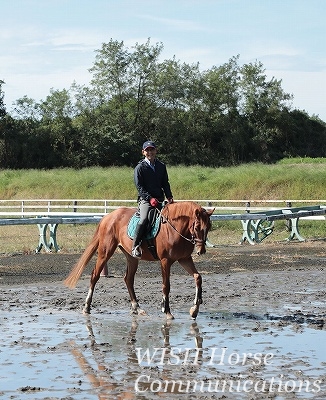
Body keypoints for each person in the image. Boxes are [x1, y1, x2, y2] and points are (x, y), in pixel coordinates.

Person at [132, 140, 174, 258]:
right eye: (147, 150)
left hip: (160, 199)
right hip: (146, 200)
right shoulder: (139, 168)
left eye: (152, 149)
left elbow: (165, 183)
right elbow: (139, 187)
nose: (150, 152)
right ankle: (135, 245)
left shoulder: (161, 166)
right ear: (143, 152)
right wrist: (149, 198)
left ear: (156, 151)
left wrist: (169, 196)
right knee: (144, 219)